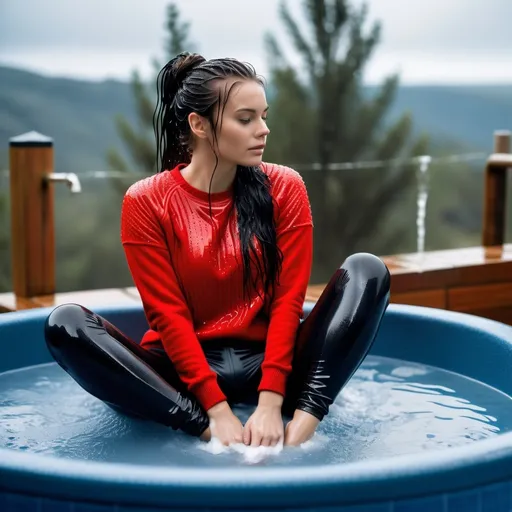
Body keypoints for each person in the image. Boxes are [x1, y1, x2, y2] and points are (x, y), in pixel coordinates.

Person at [44, 52, 390, 449]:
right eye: (246, 119)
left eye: (264, 116)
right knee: (64, 323)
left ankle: (307, 417)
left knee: (367, 270)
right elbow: (167, 314)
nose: (263, 130)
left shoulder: (285, 186)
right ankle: (197, 427)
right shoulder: (146, 201)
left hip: (275, 369)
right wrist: (215, 417)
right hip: (180, 380)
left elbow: (288, 300)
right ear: (199, 125)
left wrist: (272, 405)